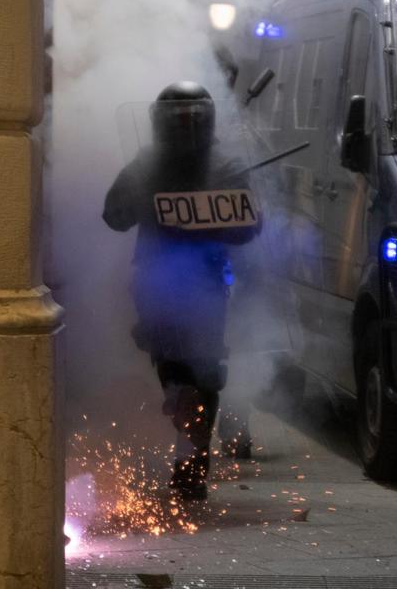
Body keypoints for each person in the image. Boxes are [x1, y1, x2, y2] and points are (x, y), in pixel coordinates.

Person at [103, 81, 261, 501]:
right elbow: (114, 215)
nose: (186, 128)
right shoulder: (149, 166)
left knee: (201, 371)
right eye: (180, 120)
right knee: (184, 369)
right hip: (164, 280)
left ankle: (191, 459)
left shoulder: (223, 167)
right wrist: (143, 195)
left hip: (201, 281)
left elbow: (248, 226)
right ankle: (189, 454)